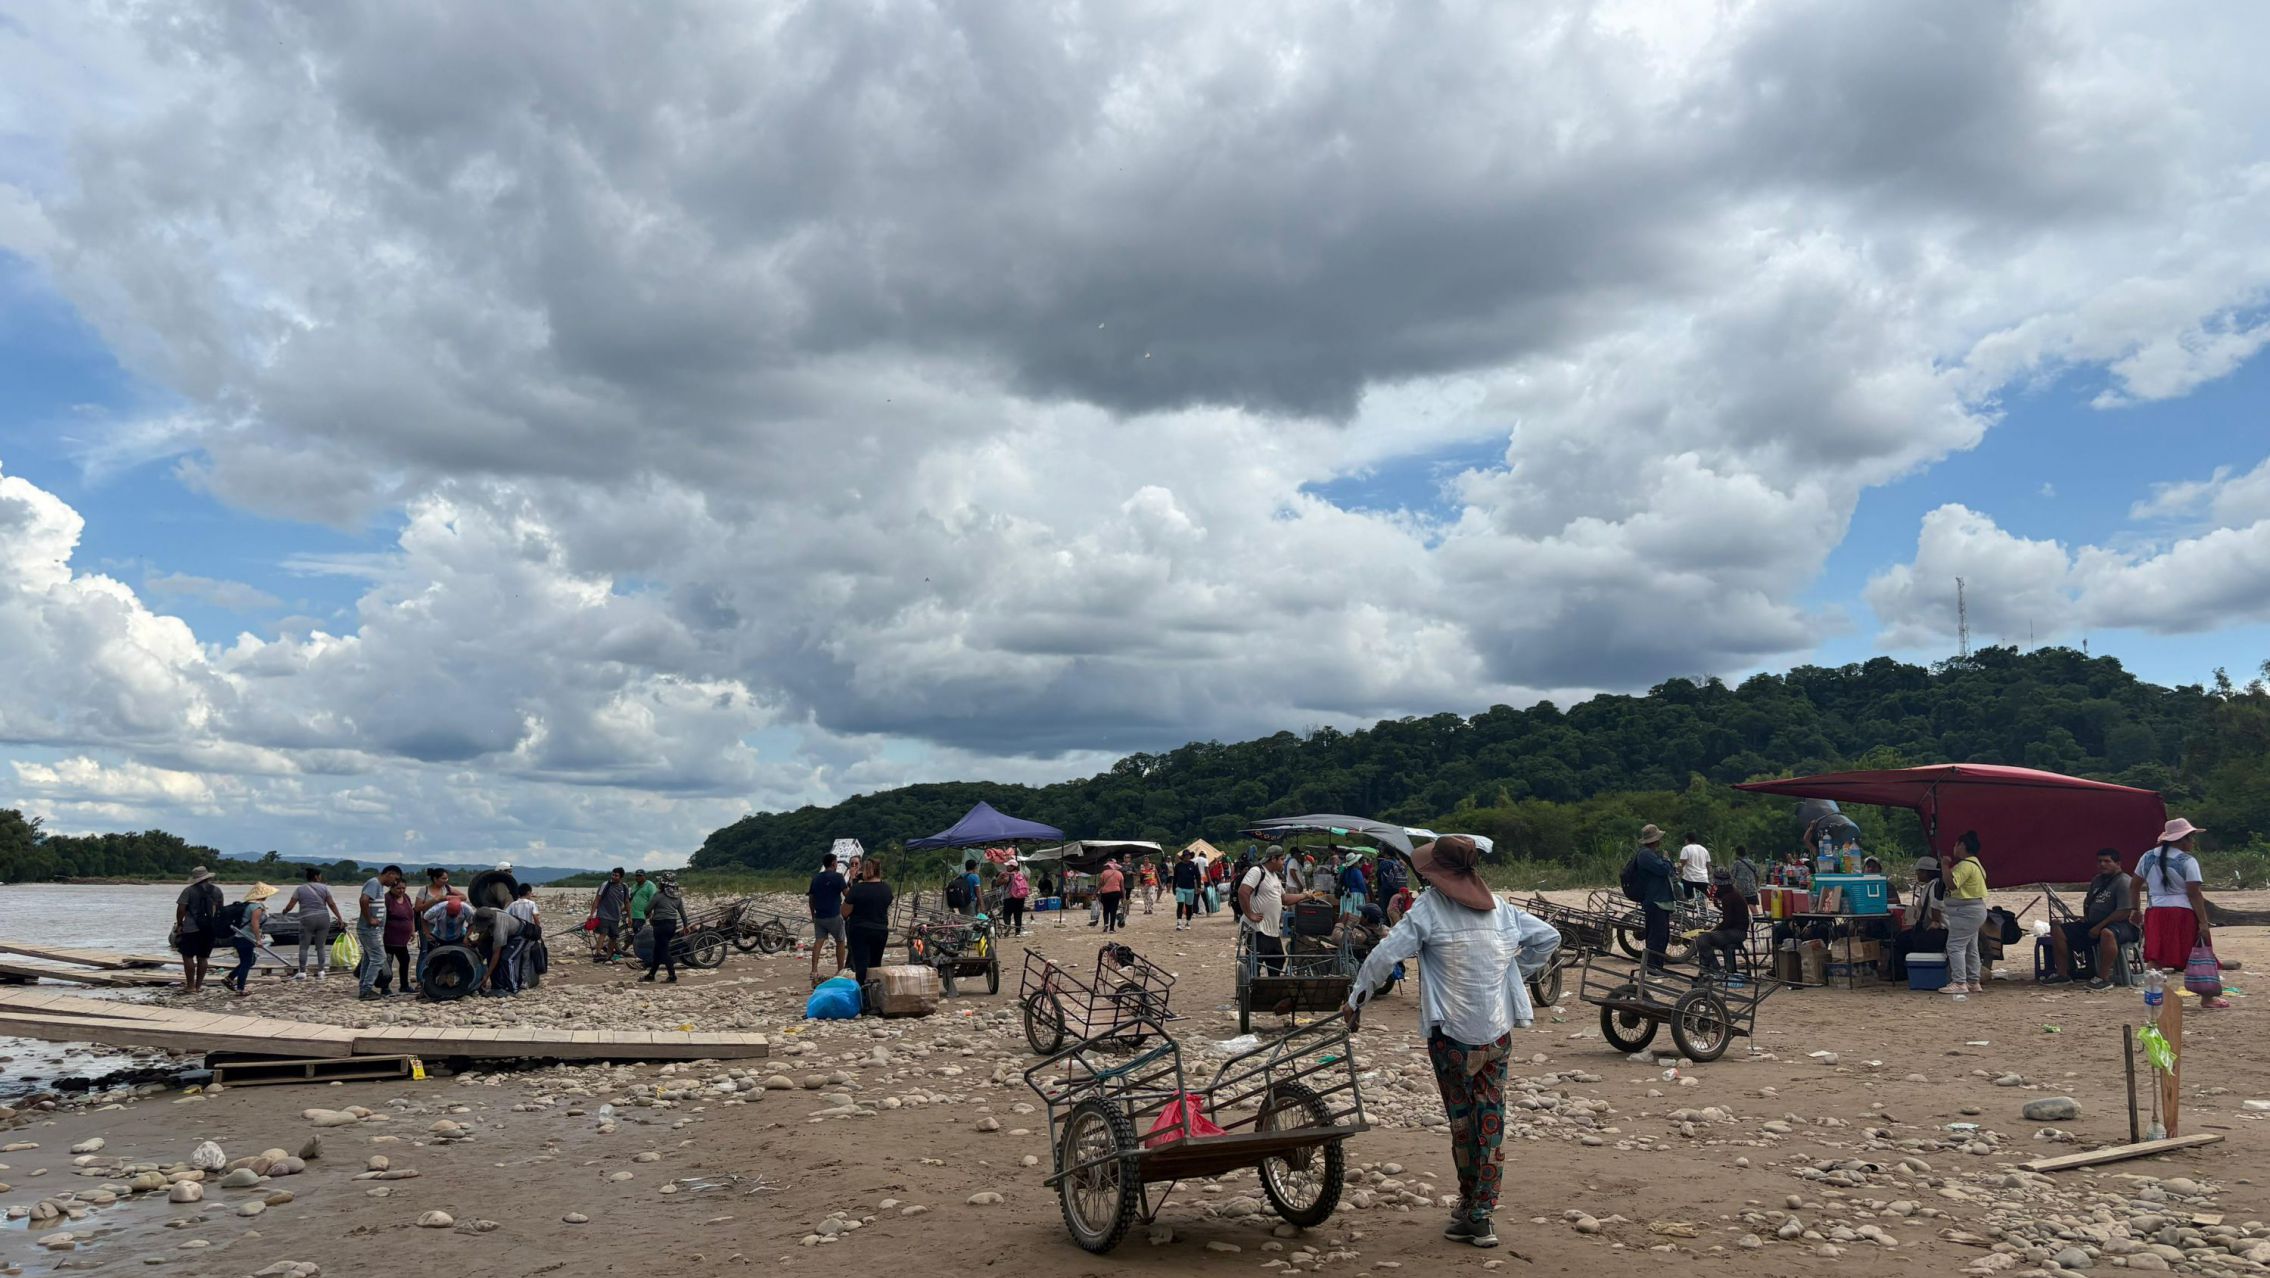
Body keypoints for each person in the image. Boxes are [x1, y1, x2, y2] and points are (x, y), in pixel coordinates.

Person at [1345, 836, 1559, 1251]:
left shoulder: (1428, 909)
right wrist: (1512, 973)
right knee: (1491, 1120)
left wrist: (1356, 1000)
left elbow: (1384, 956)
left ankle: (1470, 1208)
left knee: (1463, 1122)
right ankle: (1483, 1213)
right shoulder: (1502, 909)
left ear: (1436, 874)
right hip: (1497, 1036)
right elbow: (1549, 938)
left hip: (1452, 1041)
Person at [2046, 848, 2140, 989]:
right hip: (2094, 923)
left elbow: (2124, 911)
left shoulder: (2124, 882)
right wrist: (2087, 918)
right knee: (2057, 928)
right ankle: (2063, 974)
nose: (2102, 864)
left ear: (2118, 863)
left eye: (2107, 861)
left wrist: (2099, 926)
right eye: (2100, 861)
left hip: (2122, 925)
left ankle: (2103, 978)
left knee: (2107, 933)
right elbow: (2089, 901)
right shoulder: (2097, 880)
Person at [2139, 818, 2214, 975]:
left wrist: (2134, 909)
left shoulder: (2147, 857)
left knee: (2156, 954)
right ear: (2182, 839)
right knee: (2186, 949)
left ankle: (2152, 982)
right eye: (2191, 837)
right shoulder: (2188, 861)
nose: (2192, 841)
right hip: (2182, 911)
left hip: (2155, 910)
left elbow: (2134, 885)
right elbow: (2194, 894)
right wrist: (2203, 923)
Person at [1941, 830, 1989, 997]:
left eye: (1956, 844)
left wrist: (1945, 866)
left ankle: (1960, 982)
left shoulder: (1965, 865)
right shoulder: (1977, 864)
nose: (1954, 847)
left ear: (1962, 845)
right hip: (1975, 910)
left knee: (1955, 946)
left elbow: (1952, 884)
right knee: (1971, 947)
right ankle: (1973, 981)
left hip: (1965, 912)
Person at [1238, 846, 1298, 976]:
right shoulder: (1257, 871)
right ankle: (1254, 994)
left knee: (1277, 963)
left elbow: (1285, 899)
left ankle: (1270, 994)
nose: (1283, 862)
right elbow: (1243, 892)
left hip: (1273, 931)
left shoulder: (1275, 877)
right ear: (1273, 859)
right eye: (1281, 859)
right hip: (1257, 930)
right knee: (1254, 967)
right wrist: (1250, 914)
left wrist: (1305, 896)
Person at [1887, 857, 1948, 980]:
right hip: (1943, 929)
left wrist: (1935, 921)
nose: (1917, 874)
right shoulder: (1937, 884)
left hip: (1939, 931)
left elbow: (1936, 905)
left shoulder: (1935, 885)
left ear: (1926, 872)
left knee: (1899, 940)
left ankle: (1898, 975)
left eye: (1919, 872)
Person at [843, 858, 894, 991]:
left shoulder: (857, 889)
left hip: (860, 930)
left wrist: (854, 881)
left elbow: (844, 912)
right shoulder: (886, 888)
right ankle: (876, 994)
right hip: (881, 930)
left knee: (861, 966)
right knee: (876, 964)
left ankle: (864, 997)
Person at [286, 867, 346, 980]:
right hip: (323, 918)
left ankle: (302, 972)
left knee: (304, 947)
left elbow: (290, 905)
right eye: (320, 875)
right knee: (320, 946)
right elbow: (331, 904)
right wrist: (339, 918)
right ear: (316, 877)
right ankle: (321, 971)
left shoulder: (299, 889)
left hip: (307, 919)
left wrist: (284, 912)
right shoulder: (325, 888)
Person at [174, 866, 225, 994]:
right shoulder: (217, 891)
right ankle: (198, 986)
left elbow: (181, 909)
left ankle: (190, 986)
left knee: (187, 956)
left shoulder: (189, 891)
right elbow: (220, 910)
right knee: (203, 957)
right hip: (209, 928)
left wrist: (180, 924)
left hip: (192, 928)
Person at [1630, 825, 1676, 970]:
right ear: (1655, 840)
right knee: (1657, 936)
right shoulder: (1646, 855)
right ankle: (1653, 967)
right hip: (1655, 900)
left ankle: (1656, 966)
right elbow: (1663, 870)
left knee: (1661, 935)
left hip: (1658, 900)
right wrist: (1668, 861)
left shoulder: (1650, 854)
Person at [220, 882, 276, 996]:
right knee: (246, 963)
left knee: (249, 961)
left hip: (239, 937)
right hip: (245, 938)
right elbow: (255, 924)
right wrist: (258, 939)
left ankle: (230, 978)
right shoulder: (257, 907)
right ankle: (241, 988)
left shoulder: (247, 904)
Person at [356, 865, 403, 1001]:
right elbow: (363, 900)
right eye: (395, 878)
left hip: (374, 930)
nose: (394, 883)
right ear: (390, 873)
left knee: (368, 959)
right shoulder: (374, 883)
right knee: (379, 958)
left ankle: (364, 987)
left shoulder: (379, 886)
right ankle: (366, 990)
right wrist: (370, 918)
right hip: (369, 930)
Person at [1695, 868, 1750, 977]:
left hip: (1736, 932)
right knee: (1705, 938)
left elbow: (1727, 922)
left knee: (1702, 939)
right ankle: (1705, 970)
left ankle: (1716, 969)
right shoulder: (1733, 893)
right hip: (1737, 931)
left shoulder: (1728, 897)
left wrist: (1714, 929)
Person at [808, 852, 850, 982]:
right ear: (833, 863)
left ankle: (814, 970)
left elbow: (811, 898)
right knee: (840, 941)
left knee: (818, 942)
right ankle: (840, 969)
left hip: (819, 916)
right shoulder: (838, 877)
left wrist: (813, 914)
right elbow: (847, 894)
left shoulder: (816, 878)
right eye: (836, 862)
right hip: (834, 915)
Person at [495, 882, 541, 994]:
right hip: (528, 933)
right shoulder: (531, 904)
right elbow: (535, 917)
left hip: (515, 933)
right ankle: (524, 981)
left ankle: (514, 979)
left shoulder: (513, 904)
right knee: (526, 957)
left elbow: (506, 916)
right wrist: (538, 930)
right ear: (529, 892)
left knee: (515, 957)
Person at [640, 872, 687, 983]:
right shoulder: (678, 897)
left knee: (664, 951)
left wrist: (650, 915)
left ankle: (672, 976)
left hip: (660, 926)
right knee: (658, 950)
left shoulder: (658, 895)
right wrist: (686, 926)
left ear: (663, 884)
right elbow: (683, 914)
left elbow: (647, 909)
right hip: (671, 925)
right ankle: (651, 975)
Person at [381, 877, 417, 995]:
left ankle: (404, 985)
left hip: (403, 940)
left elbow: (411, 916)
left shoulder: (406, 898)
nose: (401, 890)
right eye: (398, 888)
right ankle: (385, 987)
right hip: (389, 937)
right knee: (388, 962)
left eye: (403, 888)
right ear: (391, 888)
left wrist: (412, 930)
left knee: (405, 960)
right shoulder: (387, 899)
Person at [591, 867, 631, 962]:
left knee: (613, 936)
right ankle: (597, 954)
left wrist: (630, 917)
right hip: (603, 914)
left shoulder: (624, 887)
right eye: (612, 874)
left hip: (616, 916)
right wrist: (592, 914)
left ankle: (608, 956)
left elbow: (627, 902)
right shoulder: (606, 885)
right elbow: (597, 899)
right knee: (603, 933)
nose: (613, 877)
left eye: (616, 875)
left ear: (621, 877)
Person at [1675, 833, 1711, 900]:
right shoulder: (1704, 849)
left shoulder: (1686, 849)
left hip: (1689, 879)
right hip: (1703, 879)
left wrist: (1677, 872)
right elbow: (1708, 868)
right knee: (1702, 901)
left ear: (1687, 840)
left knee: (1688, 899)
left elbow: (1681, 864)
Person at [1002, 861, 1031, 937]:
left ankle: (1007, 926)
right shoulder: (1022, 874)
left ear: (1012, 867)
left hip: (1010, 897)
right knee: (1018, 915)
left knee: (1006, 914)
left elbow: (1001, 883)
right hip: (1021, 897)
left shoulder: (1008, 875)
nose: (1007, 867)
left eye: (1008, 866)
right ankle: (1017, 932)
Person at [1173, 849, 1201, 930]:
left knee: (1189, 906)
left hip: (1190, 888)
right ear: (1183, 857)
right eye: (1185, 855)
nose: (1187, 857)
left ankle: (1188, 922)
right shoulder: (1178, 866)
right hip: (1180, 888)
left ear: (1190, 856)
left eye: (1188, 855)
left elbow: (1198, 876)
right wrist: (1173, 888)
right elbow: (1175, 878)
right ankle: (1179, 922)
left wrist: (1199, 887)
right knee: (1180, 904)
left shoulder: (1193, 865)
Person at [1096, 859, 1126, 933]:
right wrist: (1124, 897)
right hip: (1116, 893)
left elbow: (1100, 884)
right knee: (1113, 911)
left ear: (1109, 866)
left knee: (1106, 910)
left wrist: (1095, 892)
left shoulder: (1104, 873)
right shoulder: (1120, 874)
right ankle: (1112, 928)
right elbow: (1122, 887)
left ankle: (1106, 925)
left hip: (1105, 893)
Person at [1337, 853, 1369, 918]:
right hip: (1355, 895)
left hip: (1346, 894)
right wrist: (1366, 893)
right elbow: (1361, 885)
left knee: (1346, 914)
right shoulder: (1357, 871)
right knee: (1354, 914)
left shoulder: (1345, 871)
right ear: (1355, 863)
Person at [627, 870, 657, 938]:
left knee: (638, 929)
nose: (638, 877)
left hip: (642, 913)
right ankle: (634, 944)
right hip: (633, 913)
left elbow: (653, 900)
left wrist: (650, 912)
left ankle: (639, 945)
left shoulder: (650, 885)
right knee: (635, 930)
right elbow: (630, 897)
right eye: (637, 875)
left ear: (644, 876)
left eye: (640, 875)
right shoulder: (634, 885)